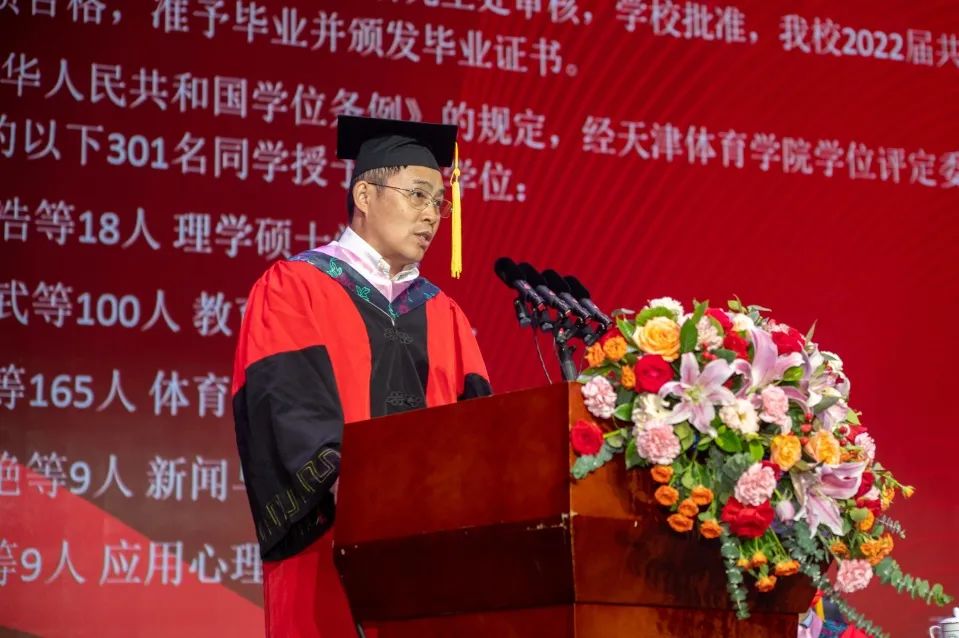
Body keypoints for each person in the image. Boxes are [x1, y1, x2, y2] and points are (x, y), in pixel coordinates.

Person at [231, 115, 492, 637]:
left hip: (433, 565)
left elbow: (479, 434)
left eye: (439, 202)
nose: (432, 215)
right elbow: (286, 412)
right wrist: (375, 493)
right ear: (365, 195)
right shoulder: (295, 288)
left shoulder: (445, 313)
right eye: (417, 196)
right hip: (329, 553)